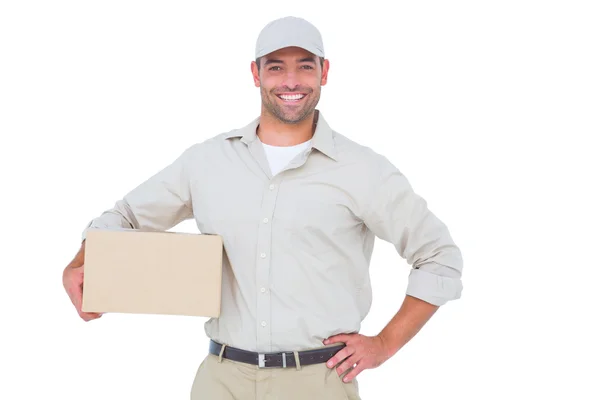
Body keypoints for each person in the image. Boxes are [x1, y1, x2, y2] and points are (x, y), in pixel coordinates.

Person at [62, 16, 463, 400]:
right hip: (221, 379)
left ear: (324, 73)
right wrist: (78, 264)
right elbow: (124, 218)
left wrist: (384, 344)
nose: (291, 81)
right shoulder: (206, 162)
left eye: (305, 67)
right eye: (276, 68)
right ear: (256, 75)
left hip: (320, 382)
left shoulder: (362, 170)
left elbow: (439, 257)